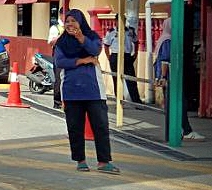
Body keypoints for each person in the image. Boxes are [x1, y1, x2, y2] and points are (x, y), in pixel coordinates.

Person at [54, 9, 119, 174]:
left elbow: (95, 51)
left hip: (94, 91)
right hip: (71, 91)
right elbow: (60, 61)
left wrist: (81, 38)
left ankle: (104, 162)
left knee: (101, 126)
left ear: (81, 22)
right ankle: (80, 160)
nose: (70, 24)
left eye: (73, 21)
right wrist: (83, 61)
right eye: (67, 21)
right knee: (75, 127)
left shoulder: (92, 37)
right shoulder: (61, 43)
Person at [154, 17, 205, 142]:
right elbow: (165, 60)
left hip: (165, 76)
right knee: (180, 103)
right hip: (171, 77)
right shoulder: (168, 41)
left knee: (172, 104)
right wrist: (164, 77)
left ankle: (177, 130)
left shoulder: (162, 39)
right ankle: (185, 130)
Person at [103, 17, 142, 104]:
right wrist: (109, 57)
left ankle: (137, 102)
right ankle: (119, 100)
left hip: (127, 56)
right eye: (118, 21)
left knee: (131, 79)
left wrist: (135, 53)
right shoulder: (111, 32)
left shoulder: (130, 31)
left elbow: (136, 42)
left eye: (122, 21)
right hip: (115, 56)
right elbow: (106, 45)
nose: (120, 23)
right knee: (116, 79)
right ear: (115, 21)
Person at [47, 17, 64, 109]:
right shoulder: (55, 28)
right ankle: (57, 102)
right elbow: (50, 42)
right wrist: (61, 35)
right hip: (59, 56)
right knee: (59, 79)